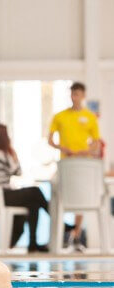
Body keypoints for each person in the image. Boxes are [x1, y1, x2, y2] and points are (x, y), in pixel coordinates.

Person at [48, 82, 100, 252]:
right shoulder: (60, 116)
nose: (74, 97)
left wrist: (86, 150)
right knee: (61, 197)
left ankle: (76, 234)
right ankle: (61, 236)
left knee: (81, 197)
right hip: (65, 162)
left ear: (83, 95)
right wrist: (63, 149)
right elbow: (50, 140)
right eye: (72, 94)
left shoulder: (90, 117)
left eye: (77, 94)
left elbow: (96, 142)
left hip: (82, 163)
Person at [0, 124, 49, 252]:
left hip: (1, 194)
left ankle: (33, 244)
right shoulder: (0, 154)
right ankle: (59, 223)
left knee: (33, 203)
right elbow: (17, 171)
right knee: (35, 191)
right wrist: (14, 154)